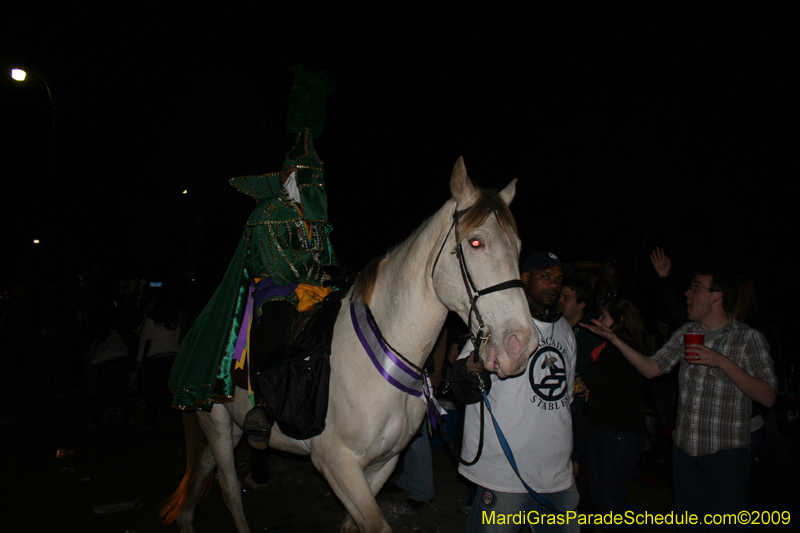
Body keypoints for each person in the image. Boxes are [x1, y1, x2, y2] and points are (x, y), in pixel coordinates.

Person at [582, 269, 777, 533]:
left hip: (725, 456)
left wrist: (721, 361)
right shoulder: (687, 332)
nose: (687, 293)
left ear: (716, 296)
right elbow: (652, 368)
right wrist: (616, 340)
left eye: (695, 287)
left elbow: (767, 396)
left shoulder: (747, 338)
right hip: (685, 453)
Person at [448, 251, 578, 533]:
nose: (554, 285)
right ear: (525, 278)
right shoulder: (496, 323)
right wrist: (474, 367)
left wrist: (572, 456)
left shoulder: (566, 329)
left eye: (558, 279)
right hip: (504, 474)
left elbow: (563, 401)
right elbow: (460, 384)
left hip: (557, 474)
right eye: (545, 277)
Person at [581, 298, 647, 531]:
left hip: (619, 434)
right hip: (604, 430)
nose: (600, 320)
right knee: (601, 499)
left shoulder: (622, 348)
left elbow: (593, 380)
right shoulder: (607, 348)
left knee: (613, 503)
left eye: (605, 316)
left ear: (619, 321)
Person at [559, 279, 602, 529]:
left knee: (582, 477)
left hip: (582, 415)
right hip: (560, 413)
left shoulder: (590, 333)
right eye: (560, 296)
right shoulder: (557, 327)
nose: (561, 302)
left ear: (582, 303)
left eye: (567, 297)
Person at [134, 297, 181, 428]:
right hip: (172, 358)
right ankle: (168, 416)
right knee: (167, 390)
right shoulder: (175, 322)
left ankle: (151, 420)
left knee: (152, 391)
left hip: (156, 358)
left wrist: (140, 361)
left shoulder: (152, 321)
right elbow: (177, 340)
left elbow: (145, 341)